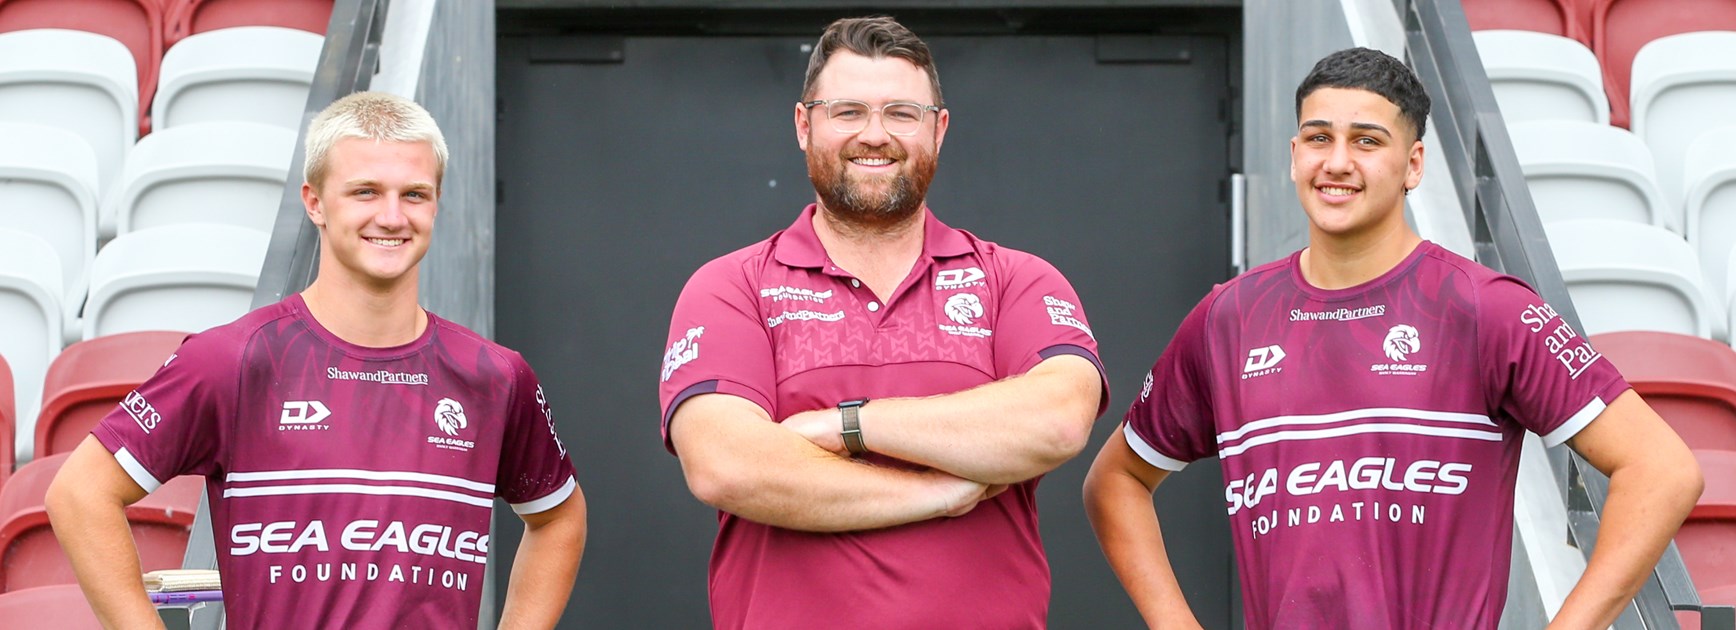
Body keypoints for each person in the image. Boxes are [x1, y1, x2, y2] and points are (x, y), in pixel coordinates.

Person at [1082, 47, 1703, 629]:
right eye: (1319, 138)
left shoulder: (1487, 307)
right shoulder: (1230, 317)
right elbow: (1116, 481)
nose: (1337, 162)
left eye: (1367, 141)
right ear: (1295, 154)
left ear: (1413, 165)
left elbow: (1661, 469)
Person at [45, 92, 586, 629]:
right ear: (315, 202)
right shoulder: (232, 360)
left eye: (415, 194)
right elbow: (80, 494)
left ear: (437, 202)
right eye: (366, 191)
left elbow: (560, 517)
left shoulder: (495, 376)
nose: (392, 216)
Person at [658, 16, 1107, 629]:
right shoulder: (733, 286)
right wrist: (936, 493)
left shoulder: (1014, 280)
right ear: (803, 124)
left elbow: (1055, 422)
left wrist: (842, 427)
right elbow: (726, 464)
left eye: (902, 113)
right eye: (847, 112)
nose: (875, 135)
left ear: (939, 130)